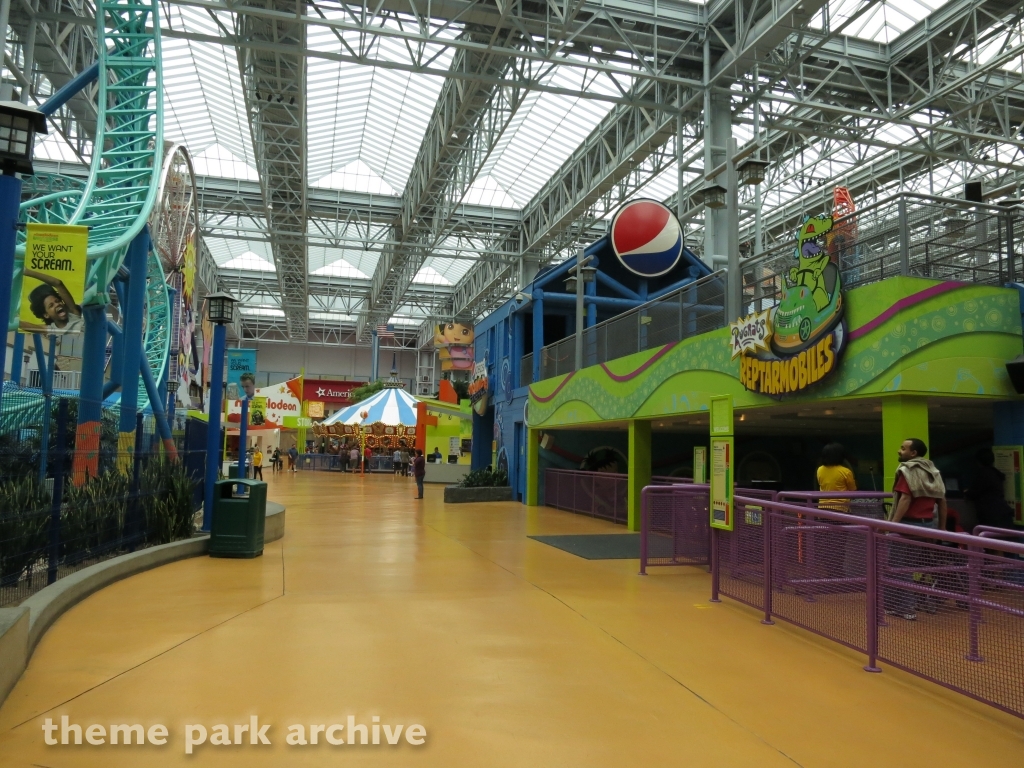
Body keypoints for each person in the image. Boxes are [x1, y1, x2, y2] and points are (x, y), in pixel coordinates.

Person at [884, 438, 947, 621]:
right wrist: (941, 529)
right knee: (907, 567)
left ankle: (906, 608)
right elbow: (942, 501)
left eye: (903, 448)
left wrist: (892, 525)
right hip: (927, 527)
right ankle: (896, 605)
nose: (899, 450)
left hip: (907, 526)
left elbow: (904, 500)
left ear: (913, 453)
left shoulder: (907, 471)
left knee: (898, 568)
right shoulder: (933, 471)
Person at [20, 268, 83, 334]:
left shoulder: (74, 315)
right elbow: (21, 324)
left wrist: (26, 271)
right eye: (51, 305)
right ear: (46, 315)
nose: (57, 304)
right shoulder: (51, 329)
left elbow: (58, 283)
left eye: (57, 301)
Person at [965, 448, 1015, 530]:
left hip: (991, 516)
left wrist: (966, 493)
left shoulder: (983, 474)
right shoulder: (996, 473)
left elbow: (974, 492)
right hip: (1004, 514)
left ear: (978, 461)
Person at [816, 442, 856, 511]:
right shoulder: (846, 471)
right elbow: (853, 489)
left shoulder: (820, 469)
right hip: (840, 508)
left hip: (822, 507)